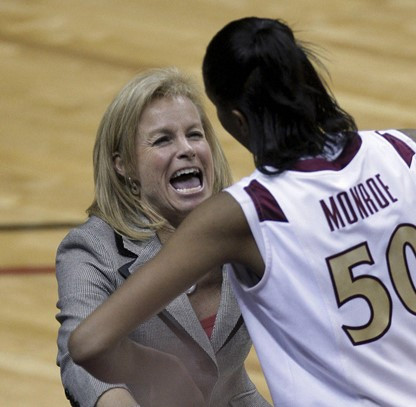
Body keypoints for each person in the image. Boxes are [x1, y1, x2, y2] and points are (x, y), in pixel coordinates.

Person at [68, 17, 416, 406]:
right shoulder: (406, 152)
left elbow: (89, 343)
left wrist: (162, 369)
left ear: (236, 121)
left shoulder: (246, 213)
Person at [55, 67, 271, 407]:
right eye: (163, 139)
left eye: (195, 135)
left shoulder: (244, 226)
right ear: (122, 165)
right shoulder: (91, 250)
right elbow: (80, 360)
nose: (186, 149)